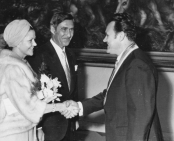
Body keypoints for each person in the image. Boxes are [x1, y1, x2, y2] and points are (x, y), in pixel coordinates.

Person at [64, 13, 163, 141]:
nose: (104, 40)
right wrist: (79, 107)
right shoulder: (128, 60)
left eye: (107, 35)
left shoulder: (137, 65)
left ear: (121, 36)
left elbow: (140, 116)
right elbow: (111, 95)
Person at [0, 19, 79, 141]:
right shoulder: (12, 69)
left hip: (24, 128)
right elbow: (29, 106)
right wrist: (61, 107)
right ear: (18, 42)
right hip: (12, 133)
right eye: (30, 40)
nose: (35, 44)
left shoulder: (22, 65)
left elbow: (26, 100)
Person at [27, 12, 78, 141]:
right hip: (49, 127)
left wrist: (75, 119)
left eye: (71, 30)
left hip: (69, 124)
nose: (68, 34)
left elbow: (73, 90)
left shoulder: (71, 55)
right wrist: (38, 128)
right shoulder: (38, 54)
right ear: (52, 29)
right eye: (64, 29)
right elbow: (33, 94)